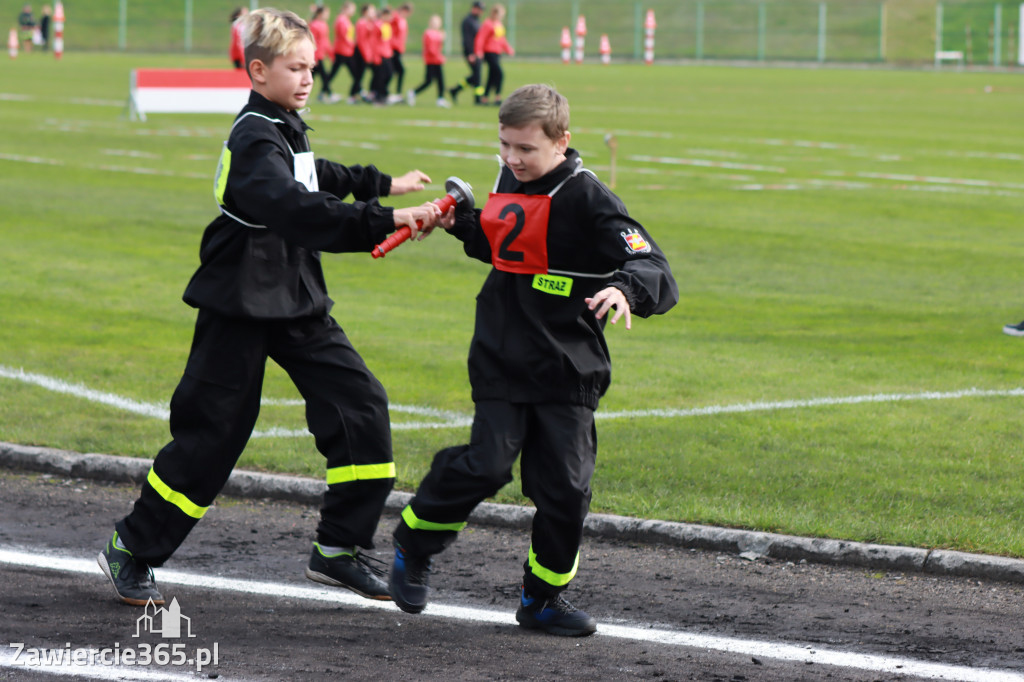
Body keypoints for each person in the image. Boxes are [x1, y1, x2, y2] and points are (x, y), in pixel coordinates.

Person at [97, 7, 443, 608]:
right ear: (258, 71)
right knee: (213, 435)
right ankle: (132, 548)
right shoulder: (255, 135)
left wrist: (382, 183)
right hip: (239, 297)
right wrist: (385, 219)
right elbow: (298, 208)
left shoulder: (283, 123)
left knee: (359, 402)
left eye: (312, 67)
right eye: (295, 67)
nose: (308, 78)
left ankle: (337, 547)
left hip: (292, 291)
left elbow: (314, 175)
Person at [387, 84, 678, 636]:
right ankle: (413, 542)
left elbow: (651, 263)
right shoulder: (507, 181)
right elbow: (503, 248)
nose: (512, 159)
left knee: (565, 490)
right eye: (505, 146)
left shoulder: (588, 195)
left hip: (568, 365)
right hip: (502, 352)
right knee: (487, 465)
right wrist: (462, 225)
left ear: (562, 142)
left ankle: (542, 598)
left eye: (525, 149)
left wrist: (626, 291)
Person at [474, 3, 513, 106]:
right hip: (489, 52)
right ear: (495, 13)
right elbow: (480, 38)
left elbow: (502, 39)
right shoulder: (487, 24)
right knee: (499, 74)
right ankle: (497, 97)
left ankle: (485, 98)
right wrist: (478, 51)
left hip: (497, 53)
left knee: (492, 76)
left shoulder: (499, 24)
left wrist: (508, 49)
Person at [407, 14, 449, 108]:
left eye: (437, 22)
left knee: (441, 80)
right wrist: (440, 57)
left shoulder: (439, 33)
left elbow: (439, 47)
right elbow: (430, 49)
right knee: (428, 81)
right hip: (431, 60)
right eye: (434, 22)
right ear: (430, 23)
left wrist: (442, 39)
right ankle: (413, 92)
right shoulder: (428, 33)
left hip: (437, 60)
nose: (436, 24)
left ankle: (440, 99)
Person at [448, 0, 484, 105]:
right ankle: (477, 99)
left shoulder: (476, 21)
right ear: (474, 8)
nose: (481, 12)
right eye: (480, 9)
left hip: (477, 52)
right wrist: (470, 53)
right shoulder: (468, 21)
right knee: (477, 76)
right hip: (472, 53)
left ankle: (455, 90)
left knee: (476, 76)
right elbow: (467, 39)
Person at [327, 2, 358, 103]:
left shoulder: (346, 20)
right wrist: (352, 45)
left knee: (354, 73)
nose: (353, 11)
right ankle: (354, 94)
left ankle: (357, 92)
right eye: (352, 9)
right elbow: (343, 36)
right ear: (346, 9)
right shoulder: (341, 20)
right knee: (353, 73)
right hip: (342, 51)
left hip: (346, 51)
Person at [309, 5, 338, 103]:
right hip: (316, 56)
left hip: (321, 55)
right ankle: (328, 93)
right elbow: (312, 42)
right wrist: (314, 57)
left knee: (316, 76)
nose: (327, 15)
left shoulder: (324, 25)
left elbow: (325, 41)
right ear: (320, 14)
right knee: (320, 76)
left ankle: (325, 93)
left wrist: (330, 53)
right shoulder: (314, 25)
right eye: (326, 13)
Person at [371, 6, 395, 105]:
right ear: (384, 15)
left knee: (389, 74)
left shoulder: (387, 26)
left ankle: (382, 93)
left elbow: (387, 41)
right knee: (380, 76)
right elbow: (374, 41)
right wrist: (375, 56)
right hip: (380, 55)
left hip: (387, 54)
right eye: (389, 16)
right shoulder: (378, 25)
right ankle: (379, 97)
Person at [354, 4, 379, 102]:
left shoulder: (369, 23)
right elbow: (361, 41)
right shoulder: (362, 23)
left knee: (362, 74)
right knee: (359, 75)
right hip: (362, 53)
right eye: (371, 11)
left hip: (367, 53)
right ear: (365, 12)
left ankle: (364, 92)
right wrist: (367, 54)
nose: (373, 13)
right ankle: (355, 95)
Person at [390, 3, 412, 98]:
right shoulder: (396, 17)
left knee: (394, 71)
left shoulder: (403, 20)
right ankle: (397, 93)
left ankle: (392, 92)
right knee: (399, 71)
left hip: (398, 49)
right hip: (393, 48)